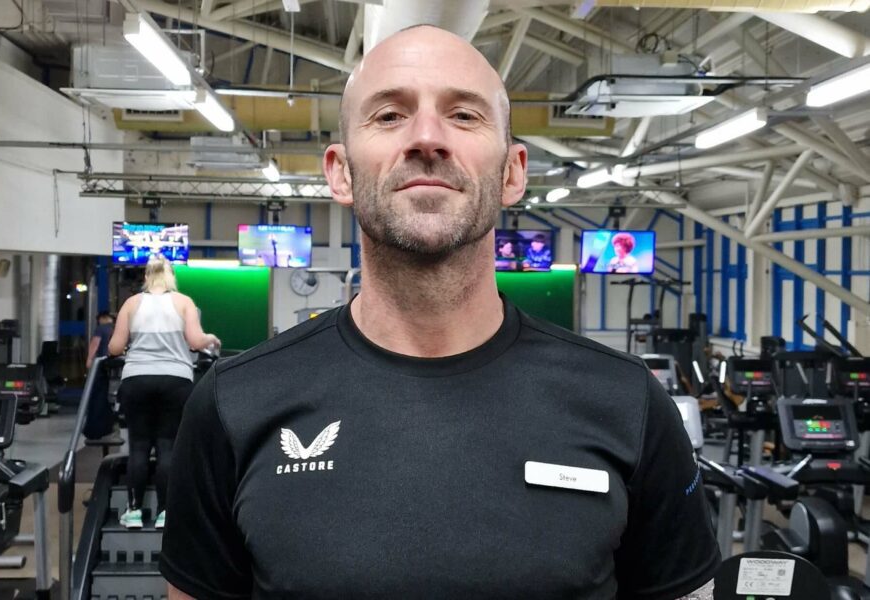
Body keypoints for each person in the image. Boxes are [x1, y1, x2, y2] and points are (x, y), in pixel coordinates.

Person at [160, 25, 719, 600]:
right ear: (340, 172)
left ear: (512, 173)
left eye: (465, 116)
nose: (427, 137)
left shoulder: (628, 403)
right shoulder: (233, 405)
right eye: (389, 115)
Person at [107, 255, 220, 531]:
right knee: (168, 445)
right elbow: (195, 341)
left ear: (146, 276)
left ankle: (133, 511)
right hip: (175, 381)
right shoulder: (183, 302)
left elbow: (114, 347)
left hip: (137, 380)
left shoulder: (132, 304)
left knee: (139, 445)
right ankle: (165, 512)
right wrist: (212, 339)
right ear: (171, 277)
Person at [84, 311, 116, 440]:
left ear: (103, 318)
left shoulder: (101, 328)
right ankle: (108, 426)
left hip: (101, 366)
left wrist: (89, 359)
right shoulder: (115, 329)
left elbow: (95, 344)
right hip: (112, 365)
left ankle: (94, 428)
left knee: (97, 396)